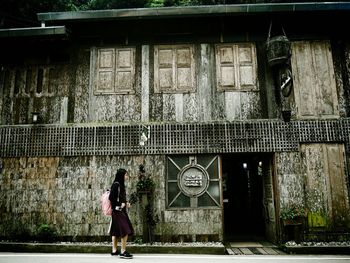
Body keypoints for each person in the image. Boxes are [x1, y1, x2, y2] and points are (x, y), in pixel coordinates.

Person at [109, 168, 134, 259]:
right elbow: (111, 197)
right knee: (125, 230)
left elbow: (119, 198)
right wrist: (121, 204)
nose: (127, 177)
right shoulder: (117, 185)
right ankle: (123, 251)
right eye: (126, 175)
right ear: (121, 175)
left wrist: (125, 203)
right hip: (118, 211)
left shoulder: (120, 185)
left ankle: (114, 250)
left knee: (115, 231)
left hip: (118, 211)